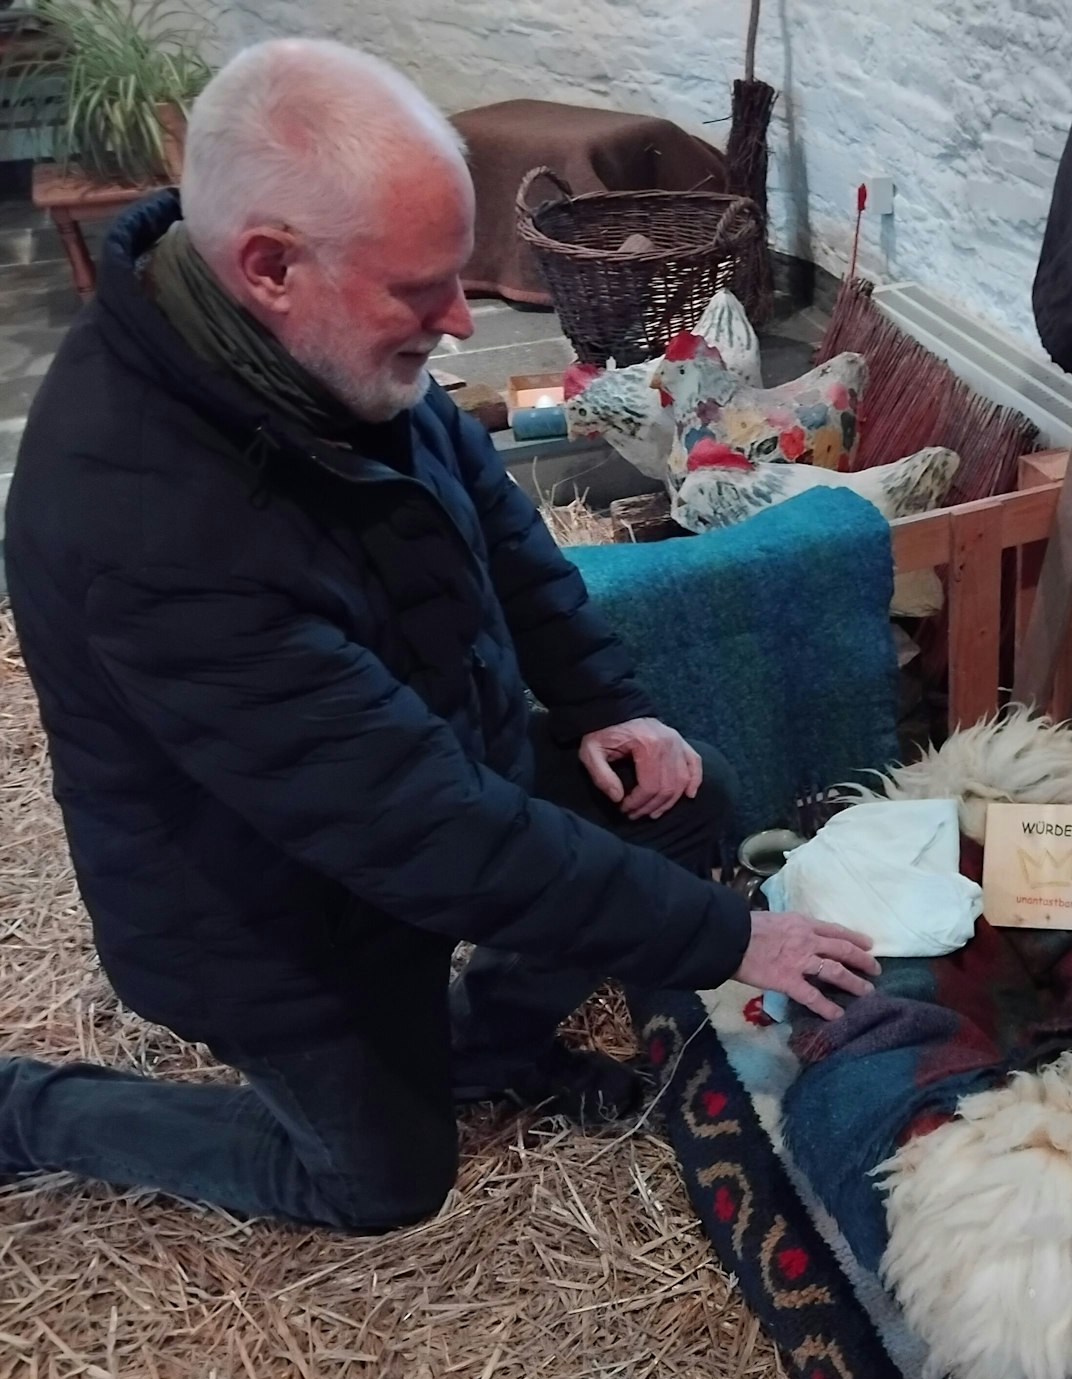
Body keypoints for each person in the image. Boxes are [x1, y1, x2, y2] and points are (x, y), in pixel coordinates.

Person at [0, 39, 876, 1232]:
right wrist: (731, 937)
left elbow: (499, 525)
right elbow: (420, 830)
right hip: (257, 901)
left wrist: (599, 700)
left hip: (417, 753)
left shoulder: (322, 350)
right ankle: (32, 1112)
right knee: (380, 1184)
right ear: (269, 268)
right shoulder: (142, 525)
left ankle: (483, 1045)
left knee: (681, 803)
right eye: (421, 291)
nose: (459, 322)